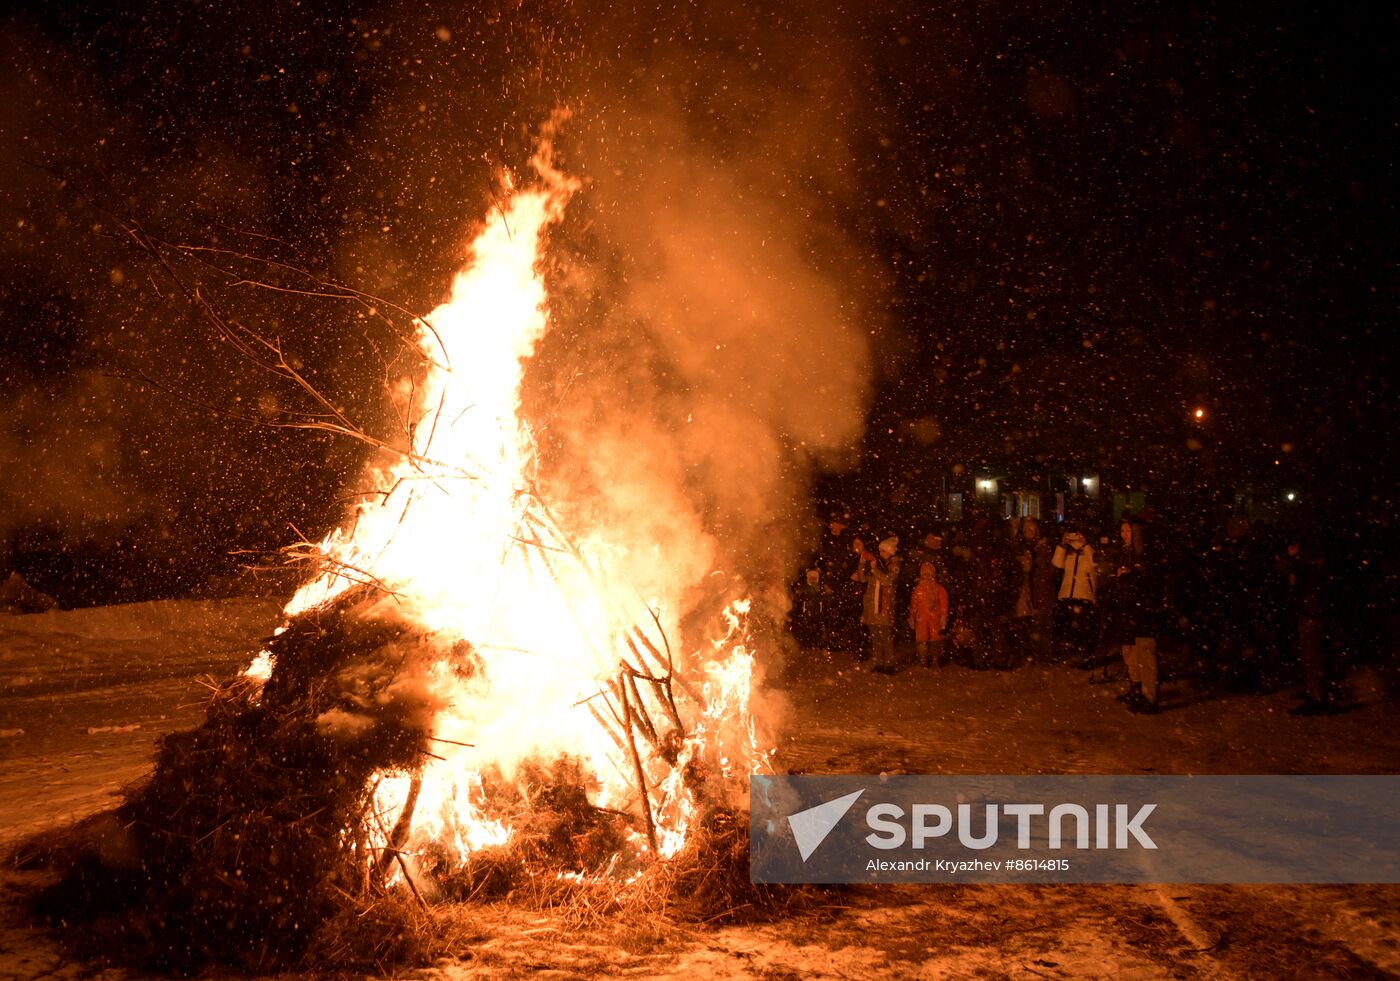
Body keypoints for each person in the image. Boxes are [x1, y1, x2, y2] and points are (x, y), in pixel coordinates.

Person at [1102, 515, 1162, 713]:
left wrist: (1131, 577)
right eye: (1122, 531)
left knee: (1145, 651)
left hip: (1143, 609)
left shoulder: (1147, 553)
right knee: (1130, 650)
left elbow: (1150, 581)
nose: (1125, 534)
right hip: (1127, 608)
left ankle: (1149, 695)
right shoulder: (1124, 552)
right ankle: (1136, 687)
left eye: (1129, 531)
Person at [1012, 517, 1057, 663]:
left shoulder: (1043, 548)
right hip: (1031, 595)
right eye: (1025, 530)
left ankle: (1045, 656)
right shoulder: (1025, 548)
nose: (1028, 532)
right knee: (1034, 628)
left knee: (1043, 626)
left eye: (1031, 529)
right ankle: (1036, 655)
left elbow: (1051, 571)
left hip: (1042, 593)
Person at [1052, 525, 1099, 661]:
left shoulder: (1090, 551)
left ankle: (1085, 656)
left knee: (1084, 628)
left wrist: (1086, 545)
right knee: (1070, 629)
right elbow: (1057, 564)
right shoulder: (1068, 552)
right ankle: (1073, 655)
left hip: (1084, 595)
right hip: (1068, 595)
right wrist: (1062, 545)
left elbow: (1094, 564)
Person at [858, 536, 901, 672]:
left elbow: (886, 581)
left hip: (884, 607)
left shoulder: (894, 567)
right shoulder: (876, 565)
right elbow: (863, 578)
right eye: (880, 550)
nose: (880, 553)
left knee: (886, 638)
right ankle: (878, 664)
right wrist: (862, 563)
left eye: (883, 551)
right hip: (871, 607)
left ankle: (889, 665)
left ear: (890, 553)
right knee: (875, 637)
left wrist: (874, 569)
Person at [908, 560, 950, 667]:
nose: (927, 576)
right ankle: (923, 660)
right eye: (925, 574)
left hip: (935, 618)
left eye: (929, 574)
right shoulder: (918, 590)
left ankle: (936, 659)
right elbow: (914, 605)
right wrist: (912, 617)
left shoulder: (939, 589)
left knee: (936, 639)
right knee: (922, 639)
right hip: (921, 618)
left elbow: (944, 603)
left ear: (933, 574)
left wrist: (943, 616)